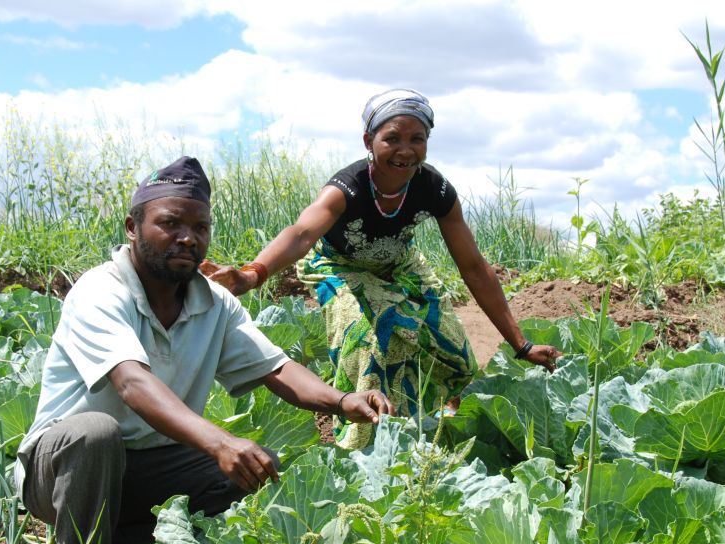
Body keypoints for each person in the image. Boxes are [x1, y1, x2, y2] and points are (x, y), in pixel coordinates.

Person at [13, 156, 395, 544]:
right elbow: (131, 383)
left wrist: (341, 401)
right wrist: (219, 442)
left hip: (151, 469)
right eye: (169, 224)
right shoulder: (100, 291)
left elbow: (275, 369)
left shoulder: (215, 303)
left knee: (259, 469)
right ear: (133, 227)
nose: (187, 238)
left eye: (200, 226)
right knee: (96, 433)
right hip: (64, 472)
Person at [204, 89, 561, 448]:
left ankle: (425, 433)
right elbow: (301, 235)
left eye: (417, 139)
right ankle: (356, 448)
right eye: (392, 138)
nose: (405, 150)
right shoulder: (348, 188)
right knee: (370, 341)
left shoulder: (435, 190)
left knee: (458, 360)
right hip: (338, 266)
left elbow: (473, 267)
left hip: (398, 265)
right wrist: (252, 274)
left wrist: (520, 343)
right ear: (368, 141)